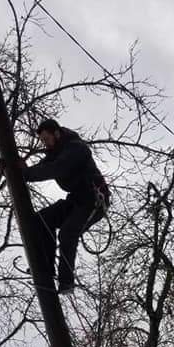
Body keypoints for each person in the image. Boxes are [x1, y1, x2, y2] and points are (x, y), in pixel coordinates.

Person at [20, 119, 109, 294]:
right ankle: (45, 268)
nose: (45, 143)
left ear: (57, 133)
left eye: (46, 138)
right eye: (42, 140)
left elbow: (57, 168)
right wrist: (20, 171)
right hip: (75, 200)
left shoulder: (76, 148)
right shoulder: (55, 153)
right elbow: (43, 167)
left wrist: (26, 174)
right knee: (42, 220)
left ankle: (66, 281)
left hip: (93, 202)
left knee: (68, 233)